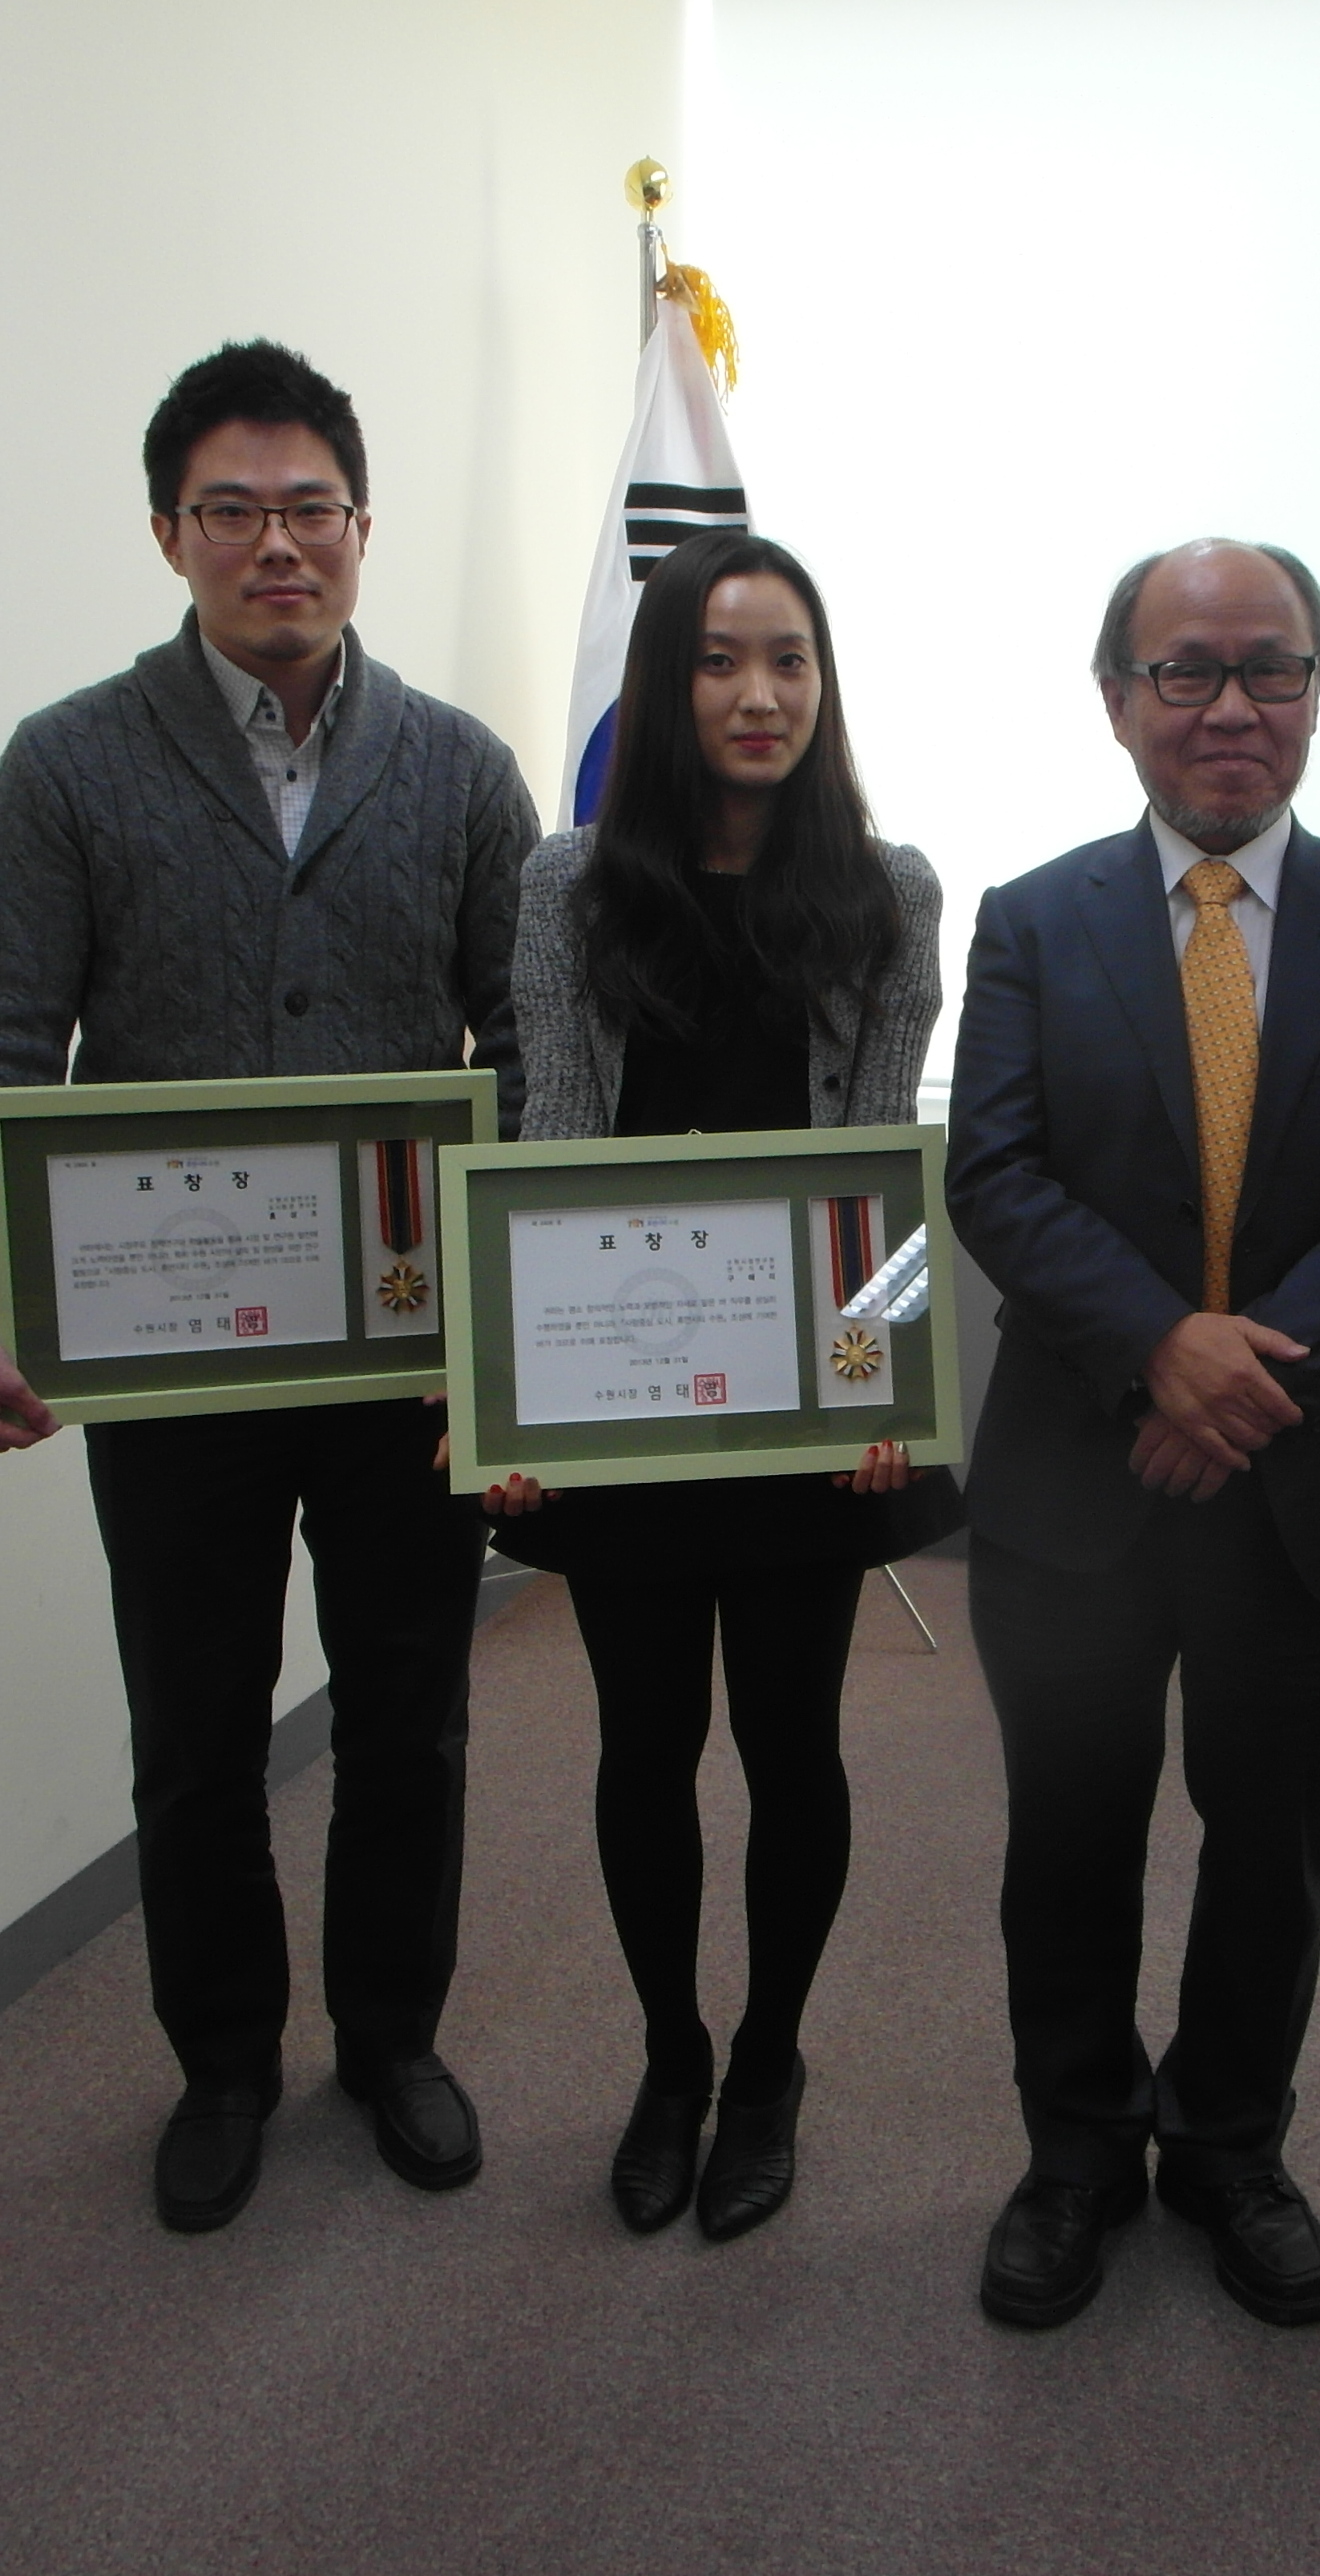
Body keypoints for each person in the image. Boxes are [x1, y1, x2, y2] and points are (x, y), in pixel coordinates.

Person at [0, 341, 537, 2233]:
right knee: (194, 1728)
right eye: (233, 511)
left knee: (412, 1712)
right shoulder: (68, 764)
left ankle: (393, 2037)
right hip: (168, 1354)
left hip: (408, 1353)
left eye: (310, 509)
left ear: (362, 528)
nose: (278, 544)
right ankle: (226, 2061)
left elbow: (532, 1040)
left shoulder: (460, 768)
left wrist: (509, 1321)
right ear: (170, 534)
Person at [946, 538, 1320, 2331]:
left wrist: (1241, 1381)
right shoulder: (1031, 919)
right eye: (1187, 669)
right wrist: (1156, 1352)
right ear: (1118, 700)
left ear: (1319, 690)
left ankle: (1234, 2144)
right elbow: (995, 1173)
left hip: (1301, 1485)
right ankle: (1078, 2150)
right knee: (1069, 1840)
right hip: (1076, 1484)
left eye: (1274, 666)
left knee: (1273, 1846)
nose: (1232, 705)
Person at [475, 529, 955, 2242]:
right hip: (624, 1400)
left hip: (804, 1409)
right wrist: (515, 1403)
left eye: (792, 661)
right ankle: (670, 2058)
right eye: (720, 660)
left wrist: (882, 1379)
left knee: (792, 1742)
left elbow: (884, 1157)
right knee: (644, 1743)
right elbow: (546, 1139)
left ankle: (769, 2061)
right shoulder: (570, 886)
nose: (761, 694)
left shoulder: (887, 893)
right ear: (665, 682)